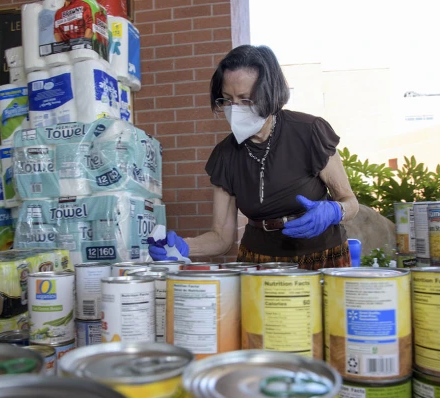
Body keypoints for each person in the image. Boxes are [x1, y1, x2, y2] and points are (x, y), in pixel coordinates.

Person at [148, 45, 358, 270]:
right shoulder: (225, 155)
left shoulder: (309, 132)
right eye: (227, 100)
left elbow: (350, 202)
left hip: (321, 256)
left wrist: (335, 211)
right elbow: (221, 237)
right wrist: (184, 247)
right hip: (258, 261)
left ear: (270, 96)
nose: (235, 109)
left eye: (246, 100)